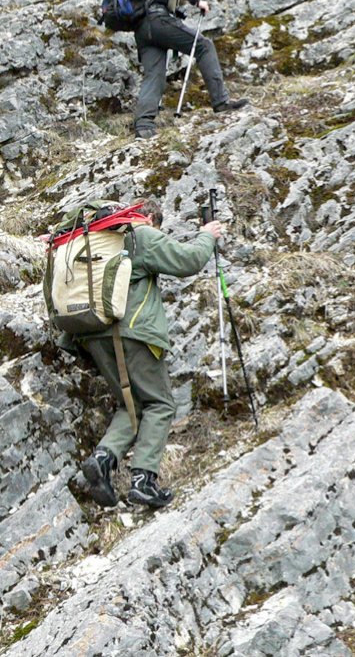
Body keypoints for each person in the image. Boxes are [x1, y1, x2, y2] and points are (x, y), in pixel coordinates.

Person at [64, 199, 223, 509]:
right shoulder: (141, 234)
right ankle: (143, 481)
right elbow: (188, 261)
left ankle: (102, 459)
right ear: (149, 218)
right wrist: (207, 235)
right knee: (160, 403)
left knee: (132, 405)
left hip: (91, 335)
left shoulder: (96, 239)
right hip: (132, 333)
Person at [134, 0, 247, 139]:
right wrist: (196, 1)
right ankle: (221, 102)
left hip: (143, 28)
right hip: (159, 21)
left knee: (154, 74)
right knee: (204, 46)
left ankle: (144, 126)